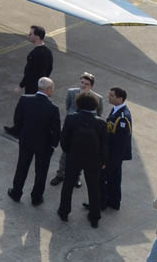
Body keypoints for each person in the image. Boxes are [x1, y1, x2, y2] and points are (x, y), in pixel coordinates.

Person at [56, 91, 107, 227]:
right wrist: (103, 161)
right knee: (94, 188)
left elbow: (64, 139)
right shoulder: (101, 123)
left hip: (74, 157)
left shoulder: (71, 119)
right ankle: (95, 217)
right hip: (93, 160)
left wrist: (69, 152)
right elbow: (104, 145)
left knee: (68, 185)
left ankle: (64, 212)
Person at [7, 77, 61, 207]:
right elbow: (56, 130)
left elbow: (17, 119)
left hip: (26, 140)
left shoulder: (25, 100)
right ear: (48, 89)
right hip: (44, 145)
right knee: (41, 171)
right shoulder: (53, 108)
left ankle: (16, 192)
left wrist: (21, 133)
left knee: (22, 167)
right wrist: (53, 144)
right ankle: (36, 198)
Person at [51, 72, 103, 187]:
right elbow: (68, 106)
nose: (83, 85)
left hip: (85, 132)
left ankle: (76, 177)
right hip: (71, 129)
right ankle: (60, 174)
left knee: (81, 155)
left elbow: (98, 114)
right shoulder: (72, 92)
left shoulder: (98, 98)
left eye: (86, 84)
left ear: (92, 85)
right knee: (65, 154)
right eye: (82, 82)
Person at [102, 87, 133, 211]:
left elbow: (121, 142)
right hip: (113, 154)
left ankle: (102, 203)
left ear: (120, 99)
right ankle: (114, 202)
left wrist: (113, 160)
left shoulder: (122, 118)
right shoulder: (116, 110)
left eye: (112, 95)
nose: (109, 97)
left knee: (105, 178)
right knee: (114, 179)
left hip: (114, 154)